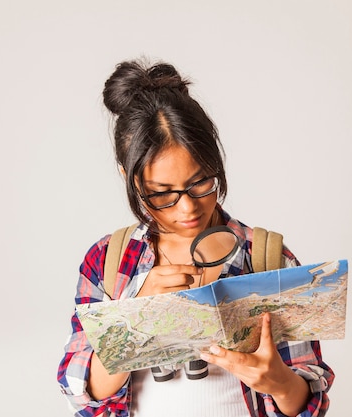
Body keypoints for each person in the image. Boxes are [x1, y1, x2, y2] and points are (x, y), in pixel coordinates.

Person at [57, 59, 334, 417]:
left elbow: (307, 402)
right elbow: (81, 393)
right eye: (161, 193)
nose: (187, 208)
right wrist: (136, 319)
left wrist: (277, 380)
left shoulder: (267, 258)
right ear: (129, 178)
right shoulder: (108, 263)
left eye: (200, 182)